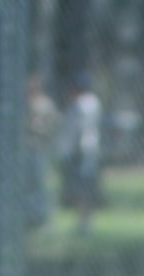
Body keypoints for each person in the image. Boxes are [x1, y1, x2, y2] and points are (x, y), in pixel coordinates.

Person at [55, 80, 103, 235]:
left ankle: (84, 223)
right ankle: (85, 222)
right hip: (91, 149)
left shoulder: (79, 104)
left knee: (80, 187)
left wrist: (66, 151)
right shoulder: (95, 102)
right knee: (86, 186)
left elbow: (77, 128)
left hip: (79, 151)